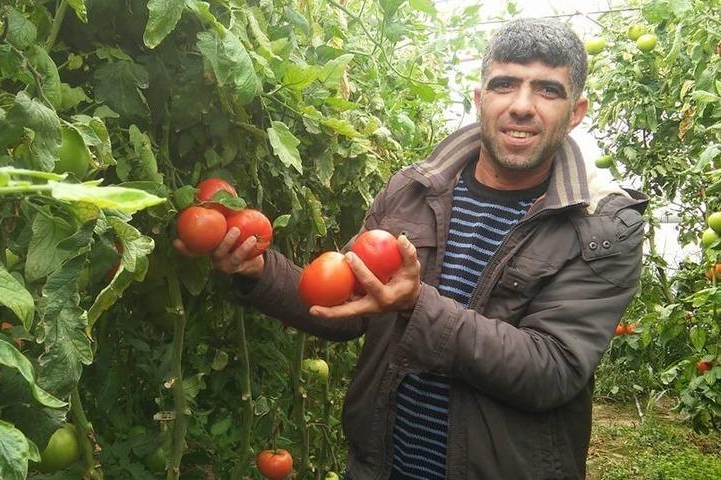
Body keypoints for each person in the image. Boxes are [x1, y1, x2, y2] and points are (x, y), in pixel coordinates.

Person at [175, 18, 647, 479]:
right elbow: (349, 303)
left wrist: (416, 305)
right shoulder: (413, 190)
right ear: (481, 99)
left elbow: (552, 369)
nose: (522, 105)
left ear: (576, 111)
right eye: (505, 84)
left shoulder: (602, 224)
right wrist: (258, 271)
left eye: (547, 90)